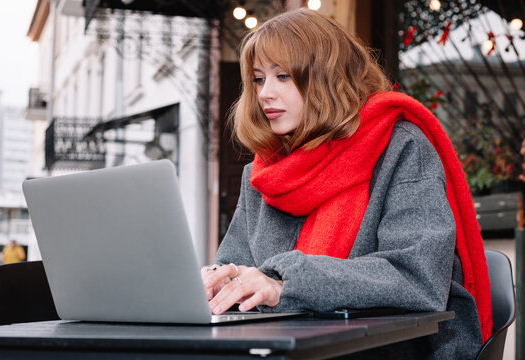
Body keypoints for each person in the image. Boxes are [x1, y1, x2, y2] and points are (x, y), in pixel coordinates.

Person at [200, 8, 492, 360]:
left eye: (283, 76)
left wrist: (283, 283)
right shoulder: (261, 174)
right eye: (259, 79)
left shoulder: (401, 147)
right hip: (284, 348)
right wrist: (226, 278)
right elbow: (239, 272)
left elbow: (414, 277)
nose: (265, 94)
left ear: (327, 77)